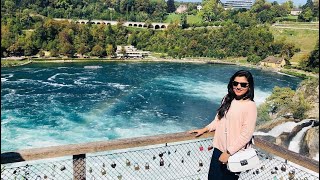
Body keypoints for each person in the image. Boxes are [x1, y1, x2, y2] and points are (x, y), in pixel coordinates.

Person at [189, 70, 257, 180]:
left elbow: (246, 134)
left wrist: (228, 152)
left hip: (234, 153)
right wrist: (205, 129)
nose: (238, 87)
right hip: (218, 150)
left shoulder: (250, 106)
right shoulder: (227, 99)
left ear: (249, 87)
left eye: (243, 84)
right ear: (231, 84)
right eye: (235, 83)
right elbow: (218, 120)